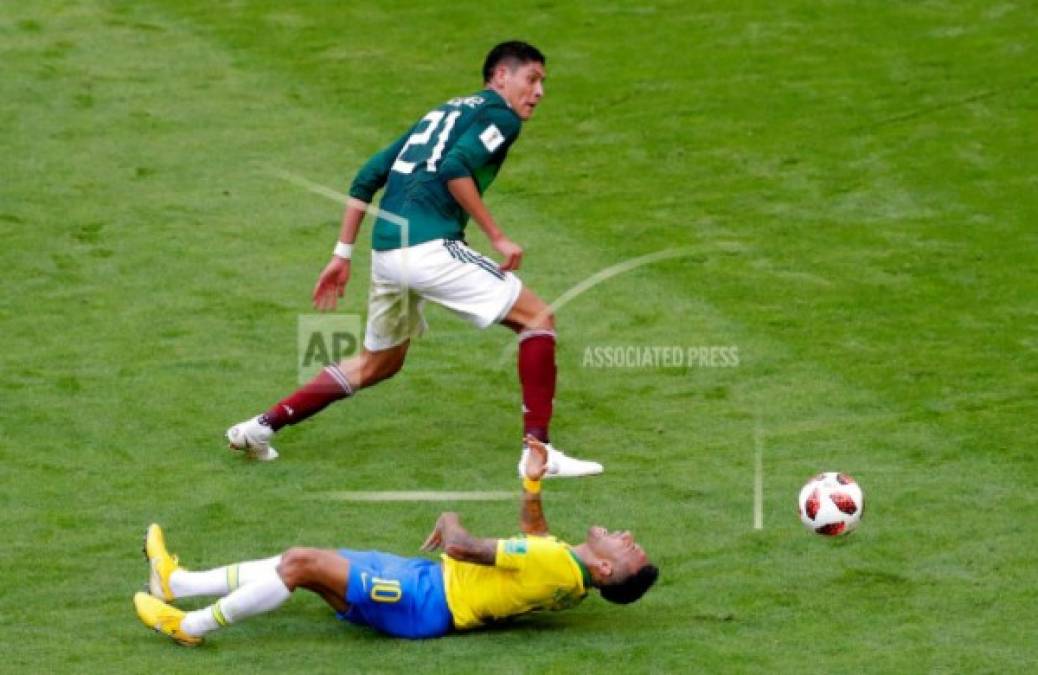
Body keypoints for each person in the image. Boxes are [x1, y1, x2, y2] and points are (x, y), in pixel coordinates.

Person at [225, 40, 601, 478]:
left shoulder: (441, 113)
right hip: (429, 248)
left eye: (542, 83)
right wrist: (497, 237)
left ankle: (259, 428)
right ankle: (539, 453)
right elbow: (455, 168)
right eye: (531, 79)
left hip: (387, 252)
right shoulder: (499, 115)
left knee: (378, 362)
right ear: (501, 76)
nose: (538, 92)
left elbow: (368, 176)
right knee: (537, 319)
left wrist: (342, 254)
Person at [134, 437, 658, 645]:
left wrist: (449, 517)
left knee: (297, 564)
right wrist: (532, 482)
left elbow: (464, 548)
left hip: (425, 597)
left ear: (607, 571)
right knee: (307, 563)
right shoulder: (570, 575)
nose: (628, 536)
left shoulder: (555, 563)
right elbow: (536, 537)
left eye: (629, 549)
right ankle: (177, 582)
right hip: (428, 594)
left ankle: (189, 624)